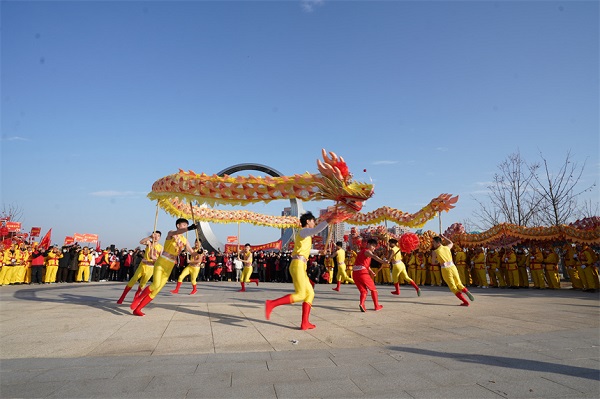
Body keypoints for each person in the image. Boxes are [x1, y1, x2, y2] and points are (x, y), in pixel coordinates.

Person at [265, 211, 331, 330]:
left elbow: (304, 251)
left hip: (301, 264)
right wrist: (328, 221)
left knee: (310, 293)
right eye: (312, 221)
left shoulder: (305, 235)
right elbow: (315, 230)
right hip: (298, 265)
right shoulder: (304, 231)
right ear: (307, 221)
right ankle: (272, 304)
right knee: (301, 294)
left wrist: (318, 252)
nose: (314, 223)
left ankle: (305, 322)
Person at [130, 218, 196, 316]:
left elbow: (191, 252)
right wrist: (189, 228)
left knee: (157, 289)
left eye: (187, 225)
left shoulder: (185, 240)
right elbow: (179, 231)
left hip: (170, 265)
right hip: (162, 262)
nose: (185, 227)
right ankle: (138, 299)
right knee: (155, 284)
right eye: (184, 225)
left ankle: (138, 309)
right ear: (178, 225)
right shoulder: (171, 233)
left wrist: (198, 252)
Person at [116, 231, 163, 304]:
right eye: (155, 235)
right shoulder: (149, 243)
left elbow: (161, 259)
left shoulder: (161, 247)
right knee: (134, 279)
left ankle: (136, 297)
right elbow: (141, 242)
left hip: (151, 267)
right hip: (143, 265)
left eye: (158, 236)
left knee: (142, 284)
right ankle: (122, 297)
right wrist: (150, 237)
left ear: (160, 237)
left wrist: (155, 259)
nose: (156, 237)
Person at [431, 235, 475, 306]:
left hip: (445, 269)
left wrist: (438, 261)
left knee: (453, 287)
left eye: (434, 242)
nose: (433, 244)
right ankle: (466, 291)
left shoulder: (435, 251)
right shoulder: (447, 248)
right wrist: (444, 237)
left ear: (438, 243)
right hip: (453, 267)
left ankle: (465, 301)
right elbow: (451, 242)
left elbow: (433, 262)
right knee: (459, 283)